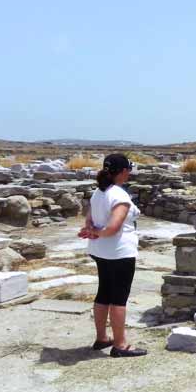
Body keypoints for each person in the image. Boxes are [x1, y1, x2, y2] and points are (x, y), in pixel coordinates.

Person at [78, 153, 146, 357]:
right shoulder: (119, 195)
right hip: (119, 253)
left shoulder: (99, 192)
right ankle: (120, 344)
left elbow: (89, 218)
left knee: (104, 293)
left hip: (100, 251)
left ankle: (101, 338)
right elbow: (113, 228)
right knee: (118, 299)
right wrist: (97, 232)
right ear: (124, 171)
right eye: (129, 170)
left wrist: (90, 230)